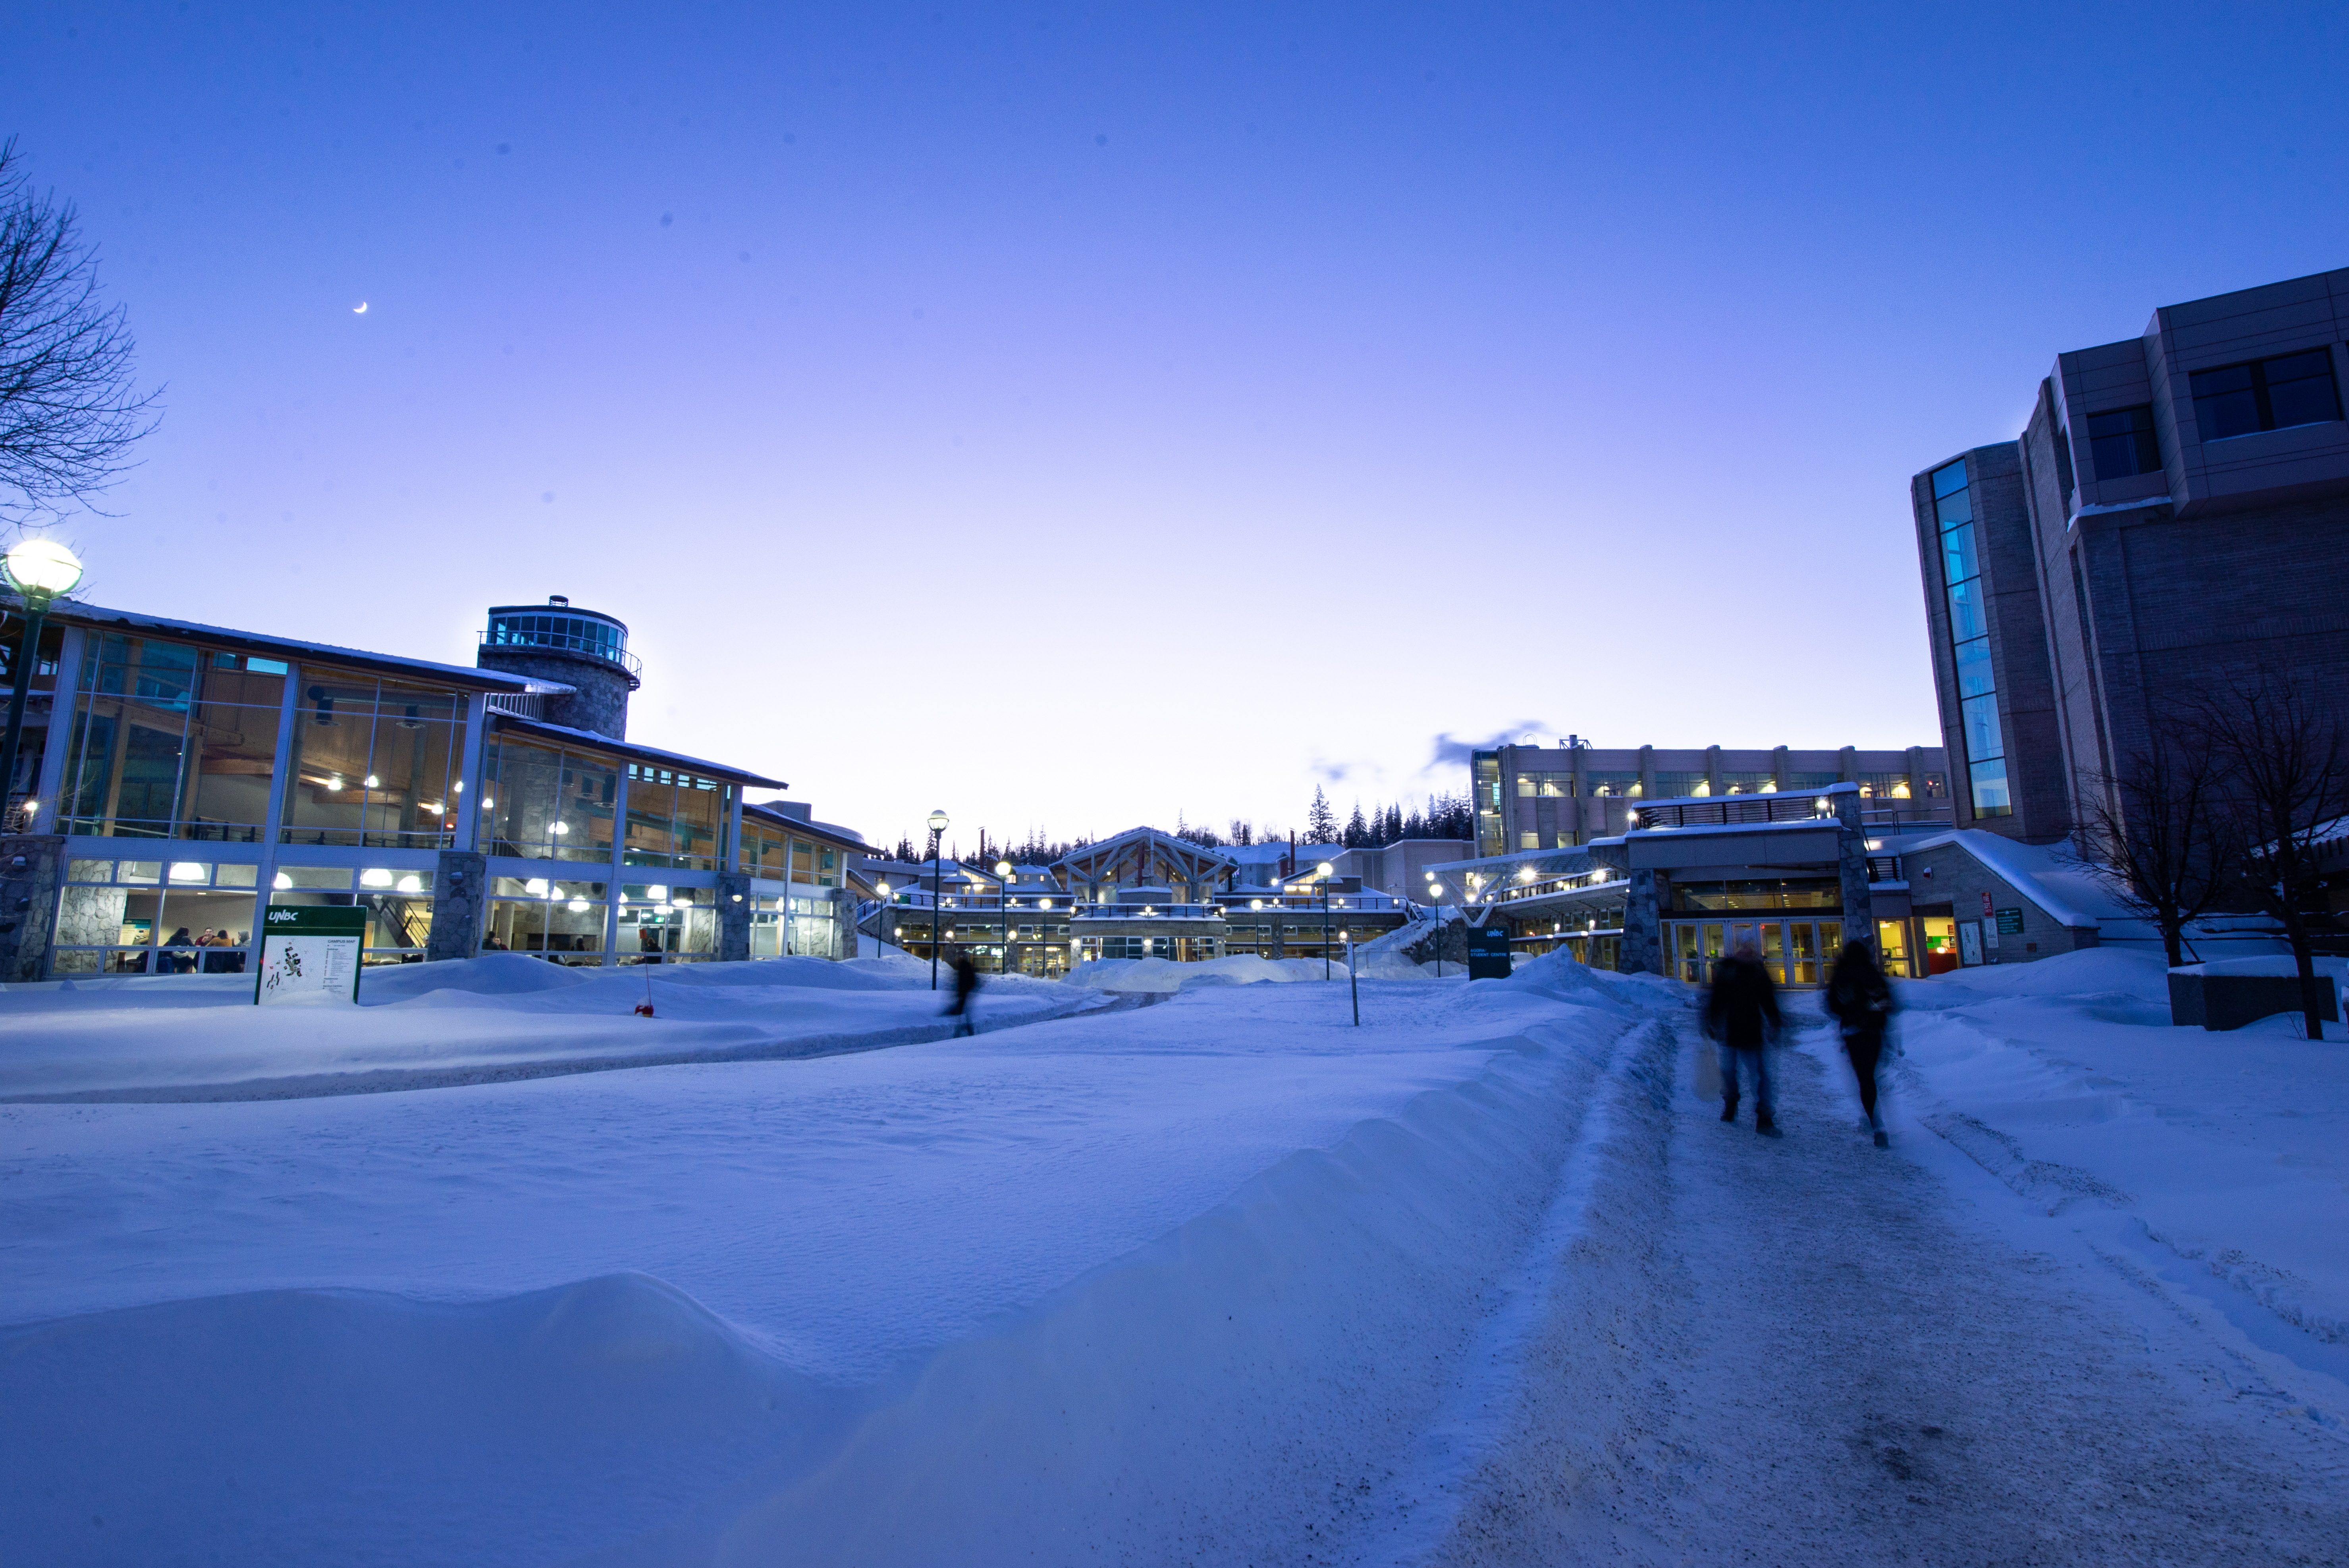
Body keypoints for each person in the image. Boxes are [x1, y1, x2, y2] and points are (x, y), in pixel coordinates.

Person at [1703, 939, 1783, 1136]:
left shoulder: (1757, 971)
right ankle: (1732, 1102)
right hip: (1731, 1030)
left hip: (1750, 1031)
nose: (1748, 950)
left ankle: (1763, 1115)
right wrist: (1712, 1020)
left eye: (1751, 947)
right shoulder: (1730, 969)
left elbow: (1768, 999)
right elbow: (1717, 997)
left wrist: (1774, 1020)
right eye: (1745, 946)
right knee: (1730, 1071)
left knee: (1758, 1074)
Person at [1825, 939, 1897, 1148]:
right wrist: (1873, 1014)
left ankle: (1876, 1124)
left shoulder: (1842, 975)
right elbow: (1887, 1004)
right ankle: (1875, 1119)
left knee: (1863, 1078)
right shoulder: (1873, 975)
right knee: (1871, 1076)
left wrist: (1850, 1012)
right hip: (1873, 1033)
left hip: (1852, 1033)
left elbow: (1832, 1005)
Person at [943, 947, 981, 1037]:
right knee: (964, 1014)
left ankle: (962, 1033)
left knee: (962, 1014)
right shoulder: (963, 967)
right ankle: (966, 1032)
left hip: (964, 994)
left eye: (960, 956)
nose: (958, 958)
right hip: (964, 994)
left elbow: (966, 981)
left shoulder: (964, 967)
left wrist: (964, 990)